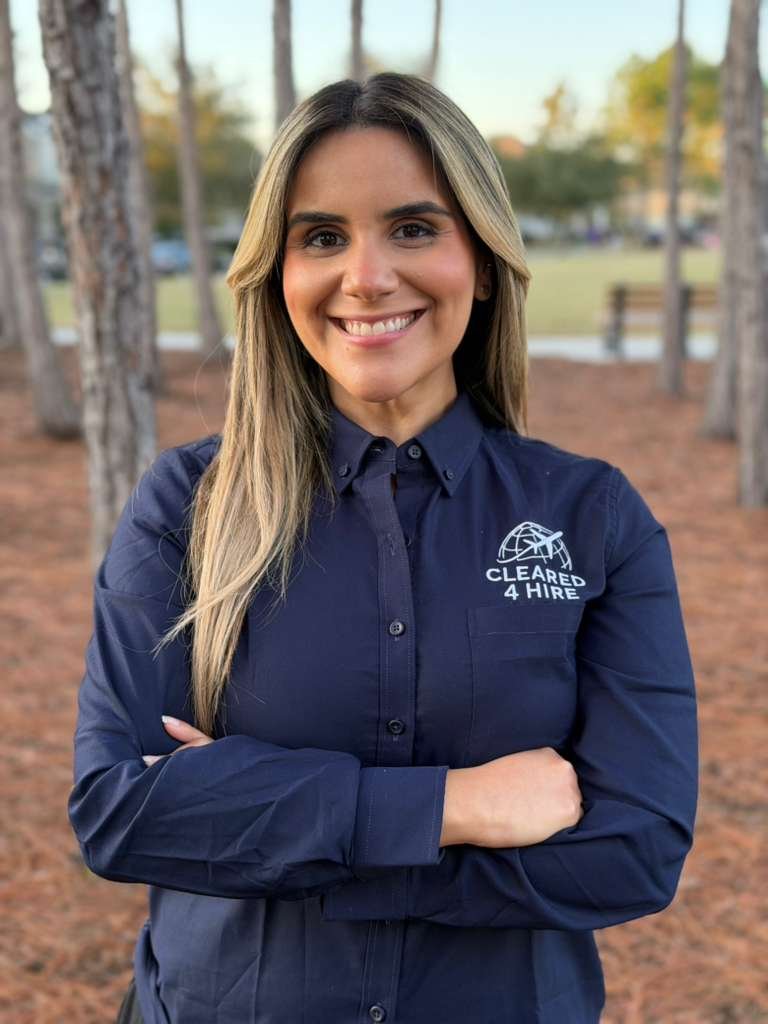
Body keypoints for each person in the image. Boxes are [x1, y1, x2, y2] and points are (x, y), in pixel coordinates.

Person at [69, 71, 699, 1024]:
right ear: (278, 277)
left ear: (480, 260)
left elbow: (636, 850)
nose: (365, 277)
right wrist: (460, 808)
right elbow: (120, 813)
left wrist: (268, 826)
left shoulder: (590, 515)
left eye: (413, 228)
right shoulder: (186, 506)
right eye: (322, 237)